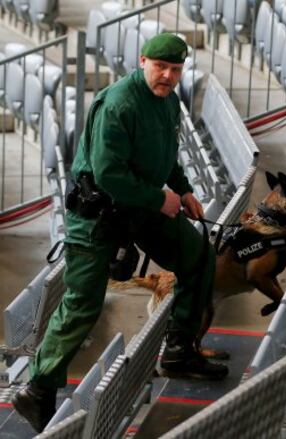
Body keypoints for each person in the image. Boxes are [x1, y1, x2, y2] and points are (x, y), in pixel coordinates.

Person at [12, 33, 228, 433]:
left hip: (143, 206)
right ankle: (37, 390)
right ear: (142, 61)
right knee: (83, 303)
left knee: (198, 255)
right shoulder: (118, 104)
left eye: (176, 69)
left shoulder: (167, 103)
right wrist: (159, 198)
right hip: (98, 215)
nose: (167, 76)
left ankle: (180, 349)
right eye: (160, 67)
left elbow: (167, 155)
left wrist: (182, 190)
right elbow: (109, 173)